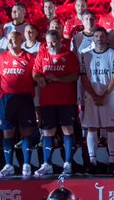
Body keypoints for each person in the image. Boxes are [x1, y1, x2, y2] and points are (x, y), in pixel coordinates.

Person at [32, 29, 80, 177]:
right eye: (48, 42)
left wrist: (57, 79)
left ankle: (68, 163)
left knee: (67, 129)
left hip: (66, 100)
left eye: (54, 41)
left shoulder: (69, 56)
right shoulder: (42, 55)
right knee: (48, 132)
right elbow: (35, 72)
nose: (51, 44)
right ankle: (47, 163)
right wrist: (38, 78)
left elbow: (74, 76)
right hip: (47, 101)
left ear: (59, 40)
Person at [0, 31, 38, 178]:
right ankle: (8, 165)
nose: (13, 41)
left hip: (25, 98)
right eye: (10, 39)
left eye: (16, 39)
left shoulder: (29, 57)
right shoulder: (1, 58)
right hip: (6, 99)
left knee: (26, 132)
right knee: (8, 133)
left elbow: (35, 78)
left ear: (21, 41)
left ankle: (26, 163)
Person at [81, 27, 114, 174]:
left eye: (102, 36)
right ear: (93, 38)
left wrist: (105, 95)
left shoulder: (113, 55)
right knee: (92, 128)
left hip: (109, 96)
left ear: (106, 38)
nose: (99, 38)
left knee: (111, 128)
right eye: (97, 36)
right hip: (91, 96)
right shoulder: (85, 55)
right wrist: (94, 95)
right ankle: (92, 161)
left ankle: (111, 162)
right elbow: (84, 78)